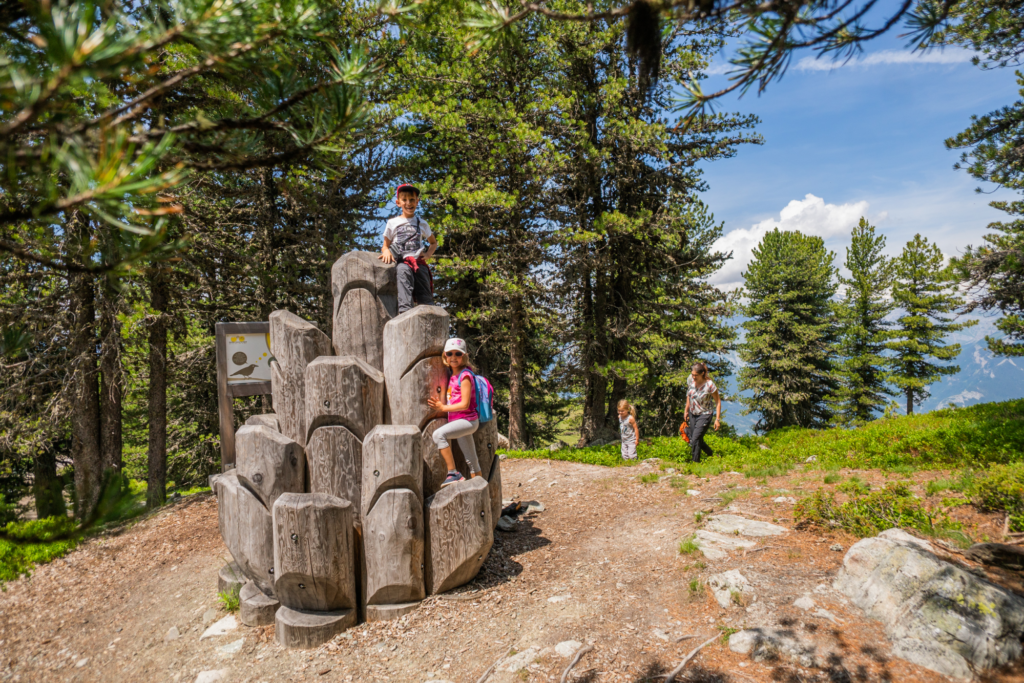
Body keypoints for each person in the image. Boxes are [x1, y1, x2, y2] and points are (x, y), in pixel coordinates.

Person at [426, 338, 482, 487]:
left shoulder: (465, 376)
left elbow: (464, 404)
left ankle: (453, 473)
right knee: (472, 461)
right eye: (449, 354)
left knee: (439, 435)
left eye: (458, 354)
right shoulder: (452, 375)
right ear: (445, 356)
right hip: (461, 422)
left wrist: (442, 408)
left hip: (467, 422)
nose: (453, 357)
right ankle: (480, 490)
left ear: (464, 356)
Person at [379, 183, 438, 314]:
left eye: (412, 200)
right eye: (404, 200)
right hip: (403, 261)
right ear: (398, 202)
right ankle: (405, 312)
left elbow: (433, 243)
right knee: (403, 274)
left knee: (424, 288)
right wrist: (387, 251)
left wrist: (428, 255)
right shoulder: (392, 223)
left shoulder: (422, 223)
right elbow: (385, 245)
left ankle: (429, 311)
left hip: (419, 262)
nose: (408, 203)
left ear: (417, 201)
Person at [683, 362, 721, 463]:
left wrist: (717, 419)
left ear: (702, 374)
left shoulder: (709, 385)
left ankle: (695, 463)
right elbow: (689, 395)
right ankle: (710, 454)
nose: (693, 377)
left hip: (705, 414)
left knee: (694, 439)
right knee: (696, 438)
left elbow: (718, 401)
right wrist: (686, 410)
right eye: (692, 374)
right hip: (692, 413)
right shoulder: (690, 380)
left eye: (696, 375)